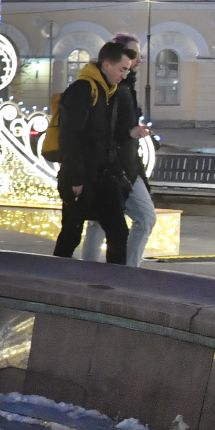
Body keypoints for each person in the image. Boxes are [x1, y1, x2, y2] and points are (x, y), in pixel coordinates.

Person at [53, 41, 133, 264]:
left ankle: (111, 285)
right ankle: (55, 279)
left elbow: (104, 138)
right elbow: (69, 137)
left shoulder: (108, 92)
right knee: (71, 233)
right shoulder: (83, 89)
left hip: (103, 177)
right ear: (107, 64)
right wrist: (76, 178)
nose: (124, 75)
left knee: (117, 233)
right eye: (122, 69)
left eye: (127, 70)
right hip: (82, 177)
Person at [81, 34, 157, 265]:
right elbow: (105, 129)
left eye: (138, 54)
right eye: (133, 54)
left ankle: (92, 271)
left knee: (100, 222)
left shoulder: (123, 87)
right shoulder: (116, 89)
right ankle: (127, 272)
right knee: (144, 218)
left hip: (121, 165)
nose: (138, 59)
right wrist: (130, 133)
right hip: (119, 167)